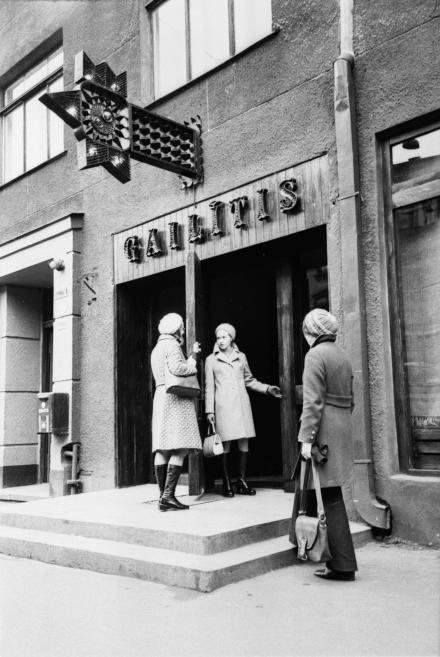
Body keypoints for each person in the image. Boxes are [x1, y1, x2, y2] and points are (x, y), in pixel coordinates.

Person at [290, 308, 358, 581]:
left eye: (306, 331)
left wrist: (306, 438)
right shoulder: (342, 354)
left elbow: (312, 401)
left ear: (311, 332)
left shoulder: (315, 355)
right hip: (339, 427)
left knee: (328, 497)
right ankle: (308, 546)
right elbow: (350, 400)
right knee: (325, 493)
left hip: (322, 430)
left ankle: (341, 565)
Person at [205, 323, 282, 497]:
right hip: (223, 406)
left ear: (232, 338)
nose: (221, 340)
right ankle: (226, 481)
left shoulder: (242, 357)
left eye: (224, 337)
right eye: (218, 337)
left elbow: (250, 380)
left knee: (244, 443)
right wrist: (209, 411)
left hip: (241, 405)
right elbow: (209, 387)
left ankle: (241, 481)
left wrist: (268, 388)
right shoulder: (211, 359)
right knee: (225, 445)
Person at [151, 312, 202, 511]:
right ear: (176, 328)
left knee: (163, 447)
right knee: (181, 447)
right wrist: (192, 362)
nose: (183, 329)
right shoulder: (172, 345)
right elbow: (178, 368)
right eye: (181, 326)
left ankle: (163, 498)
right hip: (175, 399)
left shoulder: (157, 347)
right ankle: (168, 497)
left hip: (161, 395)